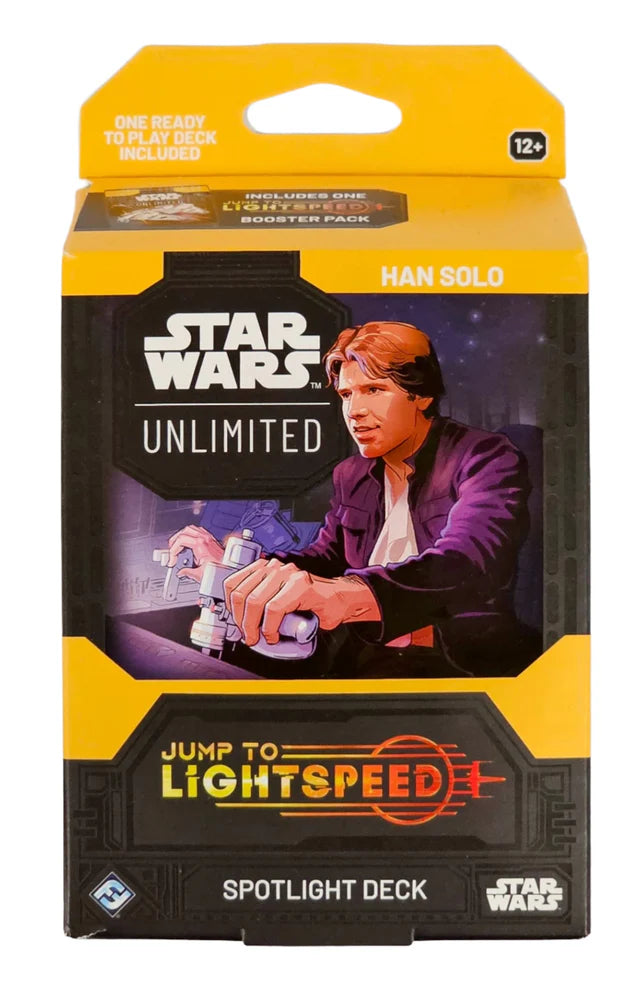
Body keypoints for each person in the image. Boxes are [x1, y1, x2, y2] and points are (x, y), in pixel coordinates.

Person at [166, 321, 540, 676]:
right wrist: (238, 572)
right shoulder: (352, 474)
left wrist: (345, 597)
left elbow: (465, 561)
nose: (354, 411)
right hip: (358, 650)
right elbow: (323, 560)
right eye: (347, 394)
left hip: (453, 657)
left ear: (421, 395)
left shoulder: (484, 455)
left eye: (373, 390)